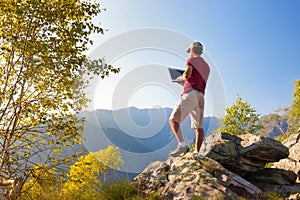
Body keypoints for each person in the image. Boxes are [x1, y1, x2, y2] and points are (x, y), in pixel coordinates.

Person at [169, 41, 210, 157]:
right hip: (201, 97)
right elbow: (197, 82)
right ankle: (197, 153)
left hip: (190, 94)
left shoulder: (191, 61)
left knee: (173, 120)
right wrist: (185, 83)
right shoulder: (207, 67)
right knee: (199, 126)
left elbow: (187, 75)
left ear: (192, 50)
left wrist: (181, 78)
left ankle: (182, 145)